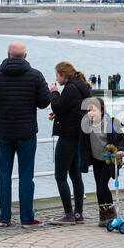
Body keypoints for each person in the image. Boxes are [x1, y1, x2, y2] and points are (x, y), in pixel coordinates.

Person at [0, 41, 50, 228]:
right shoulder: (35, 76)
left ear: (8, 54)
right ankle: (27, 218)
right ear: (25, 56)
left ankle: (4, 218)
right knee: (26, 176)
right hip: (27, 133)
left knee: (4, 175)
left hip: (4, 132)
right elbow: (44, 102)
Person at [48, 61, 92, 225]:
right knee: (75, 175)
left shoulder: (70, 88)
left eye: (57, 75)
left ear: (64, 74)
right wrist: (58, 114)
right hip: (79, 136)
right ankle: (78, 213)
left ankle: (68, 214)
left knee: (60, 175)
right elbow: (73, 109)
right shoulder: (81, 86)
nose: (56, 78)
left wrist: (54, 92)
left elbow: (59, 106)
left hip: (68, 136)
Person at [79, 97, 124, 227]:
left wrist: (121, 150)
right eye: (89, 110)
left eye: (93, 110)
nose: (90, 113)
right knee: (98, 187)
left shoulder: (110, 124)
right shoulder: (87, 125)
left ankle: (112, 214)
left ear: (101, 111)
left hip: (108, 159)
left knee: (102, 185)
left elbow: (122, 139)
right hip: (96, 159)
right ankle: (103, 214)